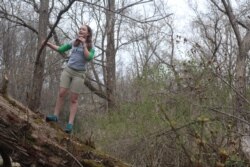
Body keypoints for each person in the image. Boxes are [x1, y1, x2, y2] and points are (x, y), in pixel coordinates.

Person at [44, 24, 95, 134]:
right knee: (62, 93)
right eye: (80, 29)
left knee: (74, 99)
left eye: (83, 29)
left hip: (79, 74)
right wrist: (47, 44)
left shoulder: (91, 46)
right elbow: (61, 49)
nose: (80, 30)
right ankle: (55, 116)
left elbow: (89, 58)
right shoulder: (74, 42)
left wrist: (84, 45)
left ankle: (70, 124)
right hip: (68, 70)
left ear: (88, 33)